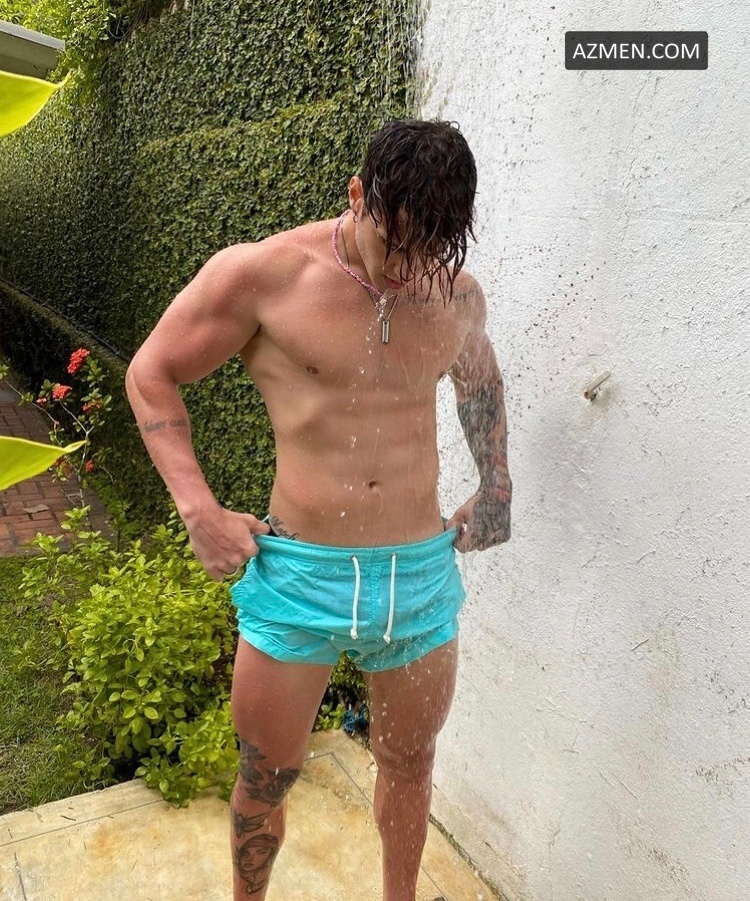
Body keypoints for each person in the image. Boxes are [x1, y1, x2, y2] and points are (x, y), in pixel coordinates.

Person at [125, 119, 512, 901]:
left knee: (411, 762)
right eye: (394, 245)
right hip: (300, 578)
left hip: (417, 579)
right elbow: (151, 372)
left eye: (430, 251)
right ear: (357, 194)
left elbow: (479, 383)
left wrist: (496, 484)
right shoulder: (264, 277)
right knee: (265, 776)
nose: (408, 270)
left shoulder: (455, 293)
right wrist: (199, 509)